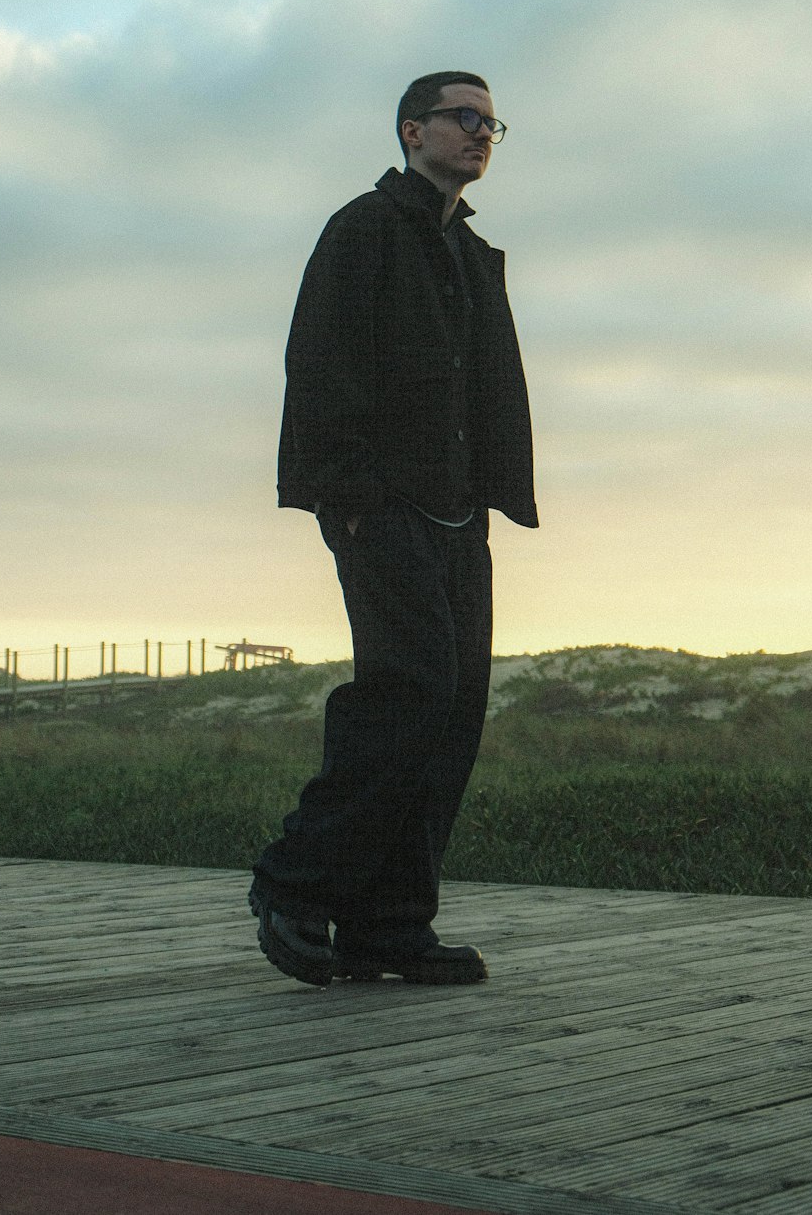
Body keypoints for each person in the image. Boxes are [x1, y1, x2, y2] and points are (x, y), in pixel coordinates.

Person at [249, 71, 537, 987]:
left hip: (458, 512)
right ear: (413, 130)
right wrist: (357, 496)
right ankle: (296, 885)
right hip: (383, 506)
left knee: (453, 709)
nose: (481, 131)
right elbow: (319, 360)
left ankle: (390, 925)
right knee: (405, 693)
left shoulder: (471, 250)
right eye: (464, 116)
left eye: (491, 121)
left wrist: (490, 493)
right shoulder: (363, 229)